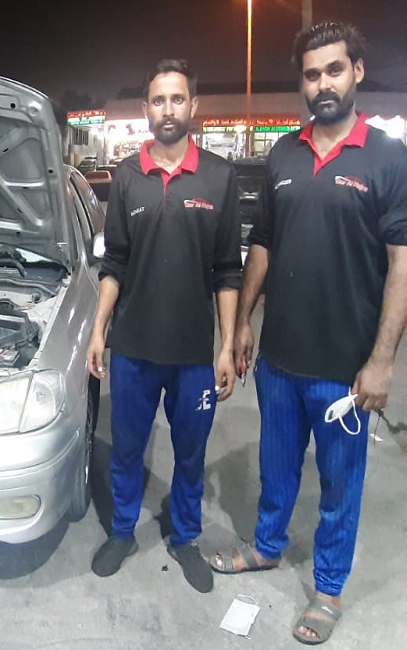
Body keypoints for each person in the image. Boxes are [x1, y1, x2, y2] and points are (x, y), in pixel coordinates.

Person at [210, 22, 407, 645]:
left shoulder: (387, 156)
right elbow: (263, 243)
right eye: (312, 73)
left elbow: (402, 262)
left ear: (357, 72)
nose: (322, 83)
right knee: (277, 467)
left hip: (344, 370)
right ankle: (267, 546)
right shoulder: (284, 155)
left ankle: (327, 588)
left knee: (340, 486)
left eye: (334, 70)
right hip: (280, 360)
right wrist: (244, 323)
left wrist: (382, 361)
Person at [86, 59, 242, 594]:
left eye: (177, 99)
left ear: (193, 106)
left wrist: (226, 345)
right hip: (133, 346)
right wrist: (99, 329)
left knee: (190, 454)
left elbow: (228, 270)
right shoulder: (127, 177)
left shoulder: (219, 177)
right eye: (158, 100)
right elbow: (115, 263)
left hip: (193, 352)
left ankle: (185, 537)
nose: (168, 109)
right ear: (146, 109)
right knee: (127, 448)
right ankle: (122, 532)